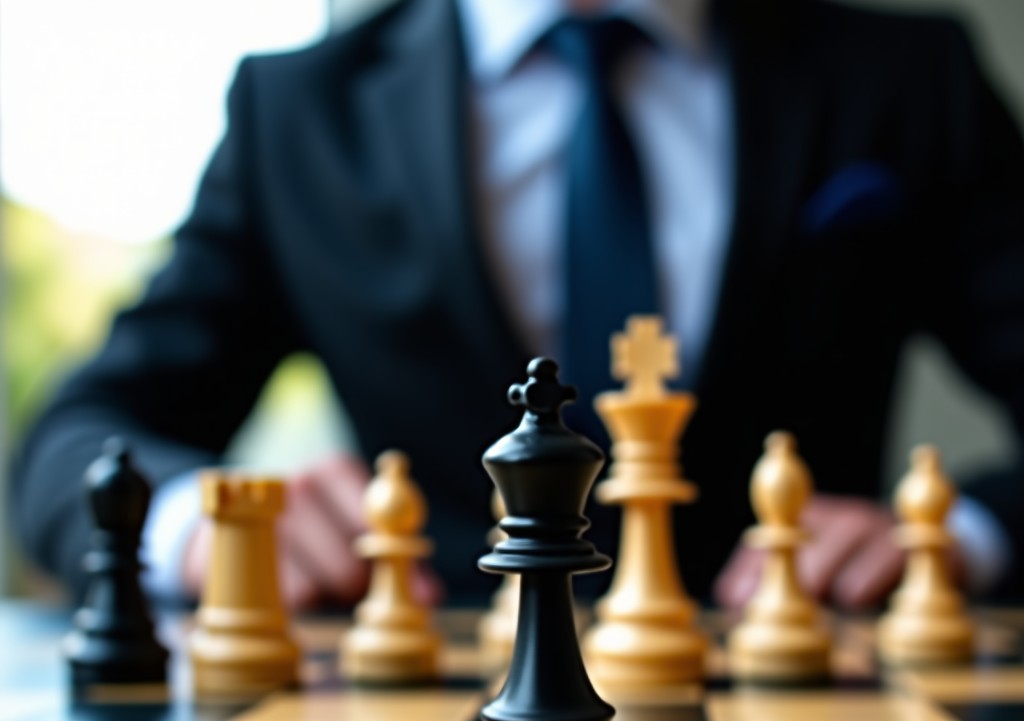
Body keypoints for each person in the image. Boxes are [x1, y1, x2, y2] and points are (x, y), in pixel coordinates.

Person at [12, 0, 1024, 610]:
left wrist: (962, 534)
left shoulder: (905, 80)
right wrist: (209, 530)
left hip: (820, 706)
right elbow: (76, 438)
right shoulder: (300, 114)